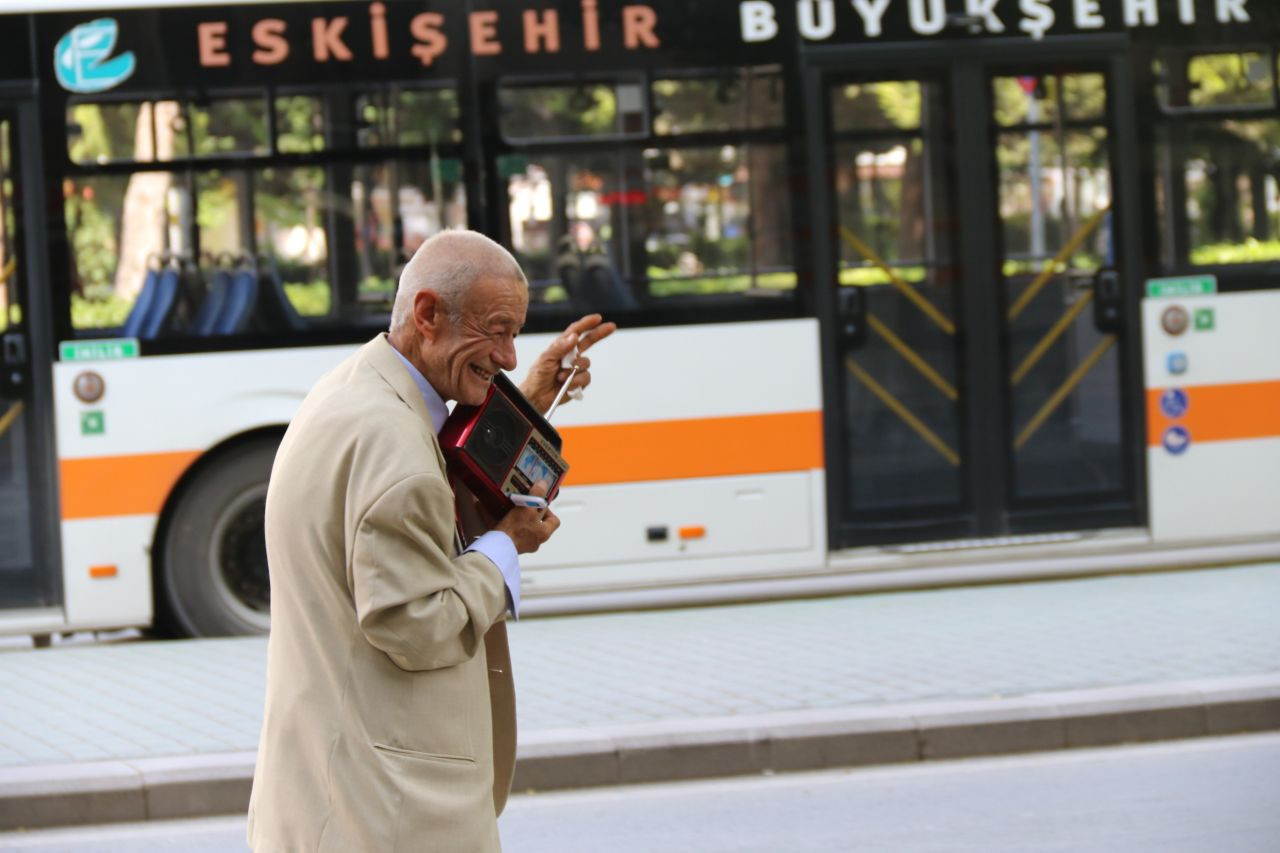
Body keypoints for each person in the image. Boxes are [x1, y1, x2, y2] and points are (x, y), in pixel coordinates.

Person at [247, 230, 615, 852]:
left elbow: (422, 499)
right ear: (427, 314)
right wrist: (504, 547)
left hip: (329, 792)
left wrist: (524, 405)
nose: (507, 354)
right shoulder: (396, 446)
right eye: (496, 330)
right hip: (388, 811)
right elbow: (414, 621)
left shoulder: (354, 389)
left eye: (514, 334)